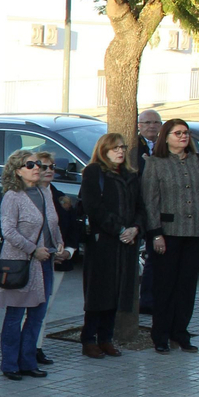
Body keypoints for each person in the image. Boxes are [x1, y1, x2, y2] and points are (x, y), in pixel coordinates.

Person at [141, 119, 199, 353]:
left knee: (187, 287)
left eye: (185, 133)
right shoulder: (156, 164)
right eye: (177, 133)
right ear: (165, 137)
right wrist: (156, 234)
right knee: (165, 286)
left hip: (196, 232)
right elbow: (150, 201)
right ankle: (161, 336)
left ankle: (181, 333)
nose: (183, 137)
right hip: (168, 234)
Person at [0, 150, 68, 379]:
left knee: (38, 314)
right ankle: (10, 364)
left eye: (38, 164)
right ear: (17, 171)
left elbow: (52, 223)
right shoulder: (12, 196)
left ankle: (28, 362)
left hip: (45, 261)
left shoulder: (44, 192)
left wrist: (59, 245)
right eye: (30, 165)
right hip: (21, 263)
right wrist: (32, 249)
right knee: (15, 315)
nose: (37, 167)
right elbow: (8, 231)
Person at [78, 133, 141, 358]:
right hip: (102, 241)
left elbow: (139, 207)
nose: (120, 152)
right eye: (115, 148)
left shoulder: (131, 175)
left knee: (117, 292)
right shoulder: (94, 172)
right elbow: (93, 207)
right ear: (103, 151)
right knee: (98, 292)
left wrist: (134, 227)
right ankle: (88, 339)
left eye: (123, 147)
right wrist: (120, 229)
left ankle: (106, 338)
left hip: (127, 242)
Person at [33, 151, 84, 364]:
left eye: (52, 167)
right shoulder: (24, 196)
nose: (49, 171)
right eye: (43, 166)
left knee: (46, 306)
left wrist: (68, 252)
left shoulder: (62, 198)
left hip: (57, 261)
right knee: (28, 307)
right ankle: (22, 347)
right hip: (32, 261)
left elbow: (74, 231)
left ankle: (36, 347)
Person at [134, 109, 164, 313]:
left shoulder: (164, 146)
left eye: (156, 122)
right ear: (139, 125)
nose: (152, 126)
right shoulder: (135, 147)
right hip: (140, 207)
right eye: (147, 122)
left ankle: (154, 298)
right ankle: (144, 300)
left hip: (160, 208)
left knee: (156, 258)